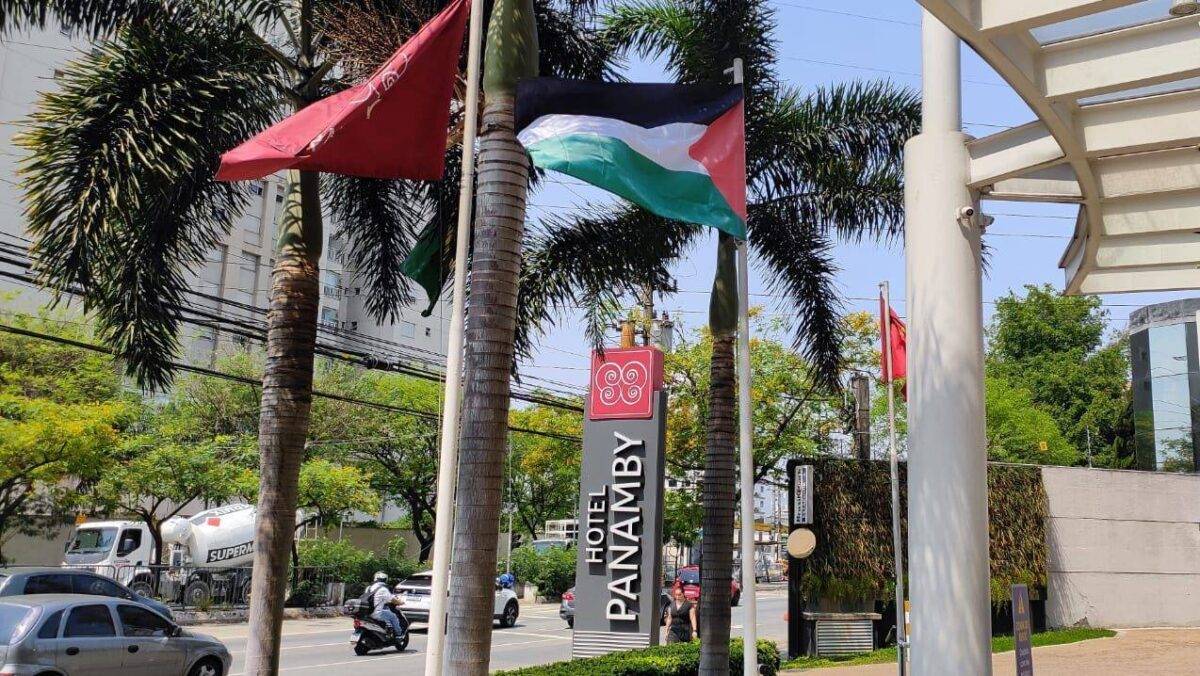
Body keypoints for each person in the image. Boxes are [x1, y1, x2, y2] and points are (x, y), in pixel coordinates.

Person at [365, 571, 406, 645]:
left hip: (366, 613)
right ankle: (399, 635)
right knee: (393, 616)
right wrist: (401, 602)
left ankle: (385, 631)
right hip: (376, 613)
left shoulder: (368, 588)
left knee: (386, 614)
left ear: (375, 578)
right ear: (385, 579)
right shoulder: (383, 589)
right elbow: (392, 599)